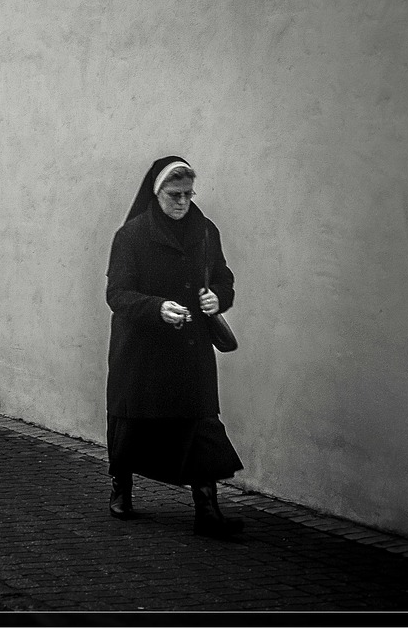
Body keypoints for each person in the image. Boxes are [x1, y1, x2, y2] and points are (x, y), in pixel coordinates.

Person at [104, 155, 244, 538]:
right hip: (142, 350)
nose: (182, 201)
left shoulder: (205, 231)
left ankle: (207, 509)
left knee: (201, 423)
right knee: (132, 423)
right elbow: (117, 294)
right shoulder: (131, 235)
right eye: (174, 194)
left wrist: (219, 298)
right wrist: (155, 307)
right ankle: (122, 488)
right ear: (157, 193)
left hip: (189, 346)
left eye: (188, 194)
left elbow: (222, 277)